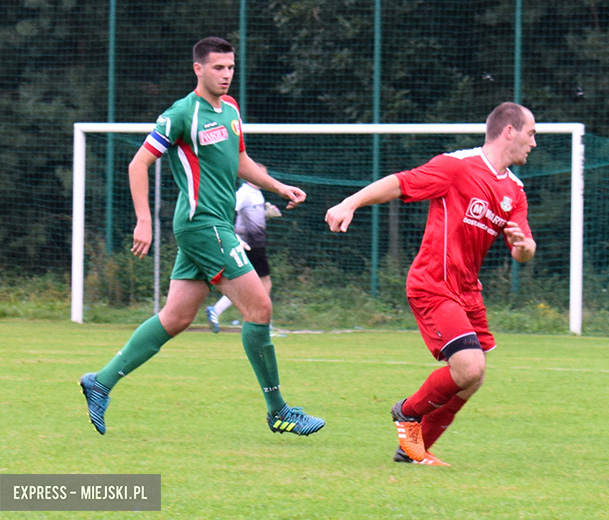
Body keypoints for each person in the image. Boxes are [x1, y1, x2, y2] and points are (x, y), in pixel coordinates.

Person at [80, 37, 324, 437]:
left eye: (230, 67)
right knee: (259, 308)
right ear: (198, 69)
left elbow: (241, 160)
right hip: (202, 224)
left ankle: (100, 381)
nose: (226, 75)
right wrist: (143, 220)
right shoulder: (180, 115)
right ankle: (278, 410)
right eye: (218, 68)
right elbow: (137, 164)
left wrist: (279, 187)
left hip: (213, 224)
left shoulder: (230, 110)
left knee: (175, 318)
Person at [325, 102, 537, 465]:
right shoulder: (457, 167)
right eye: (531, 134)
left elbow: (524, 250)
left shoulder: (514, 191)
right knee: (469, 368)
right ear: (509, 131)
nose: (534, 143)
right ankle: (407, 413)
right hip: (433, 283)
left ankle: (413, 452)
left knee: (472, 378)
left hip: (468, 291)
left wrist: (524, 247)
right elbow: (400, 183)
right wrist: (351, 202)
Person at [205, 182, 281, 333]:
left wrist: (266, 213)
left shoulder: (257, 193)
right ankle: (262, 321)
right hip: (248, 244)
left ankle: (218, 310)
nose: (264, 179)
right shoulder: (244, 192)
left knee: (252, 285)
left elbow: (251, 217)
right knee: (263, 283)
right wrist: (235, 237)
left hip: (257, 245)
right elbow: (229, 210)